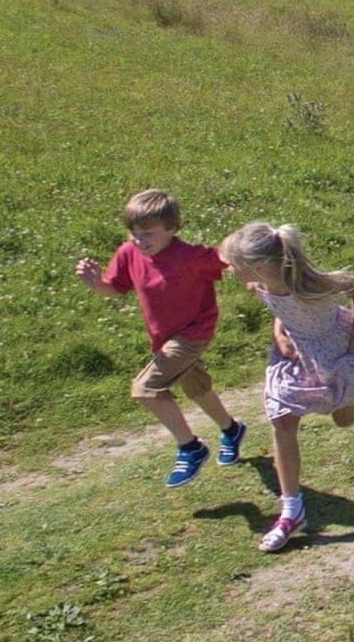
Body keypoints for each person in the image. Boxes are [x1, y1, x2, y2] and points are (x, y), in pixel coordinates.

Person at [220, 222, 354, 552]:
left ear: (259, 265)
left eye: (234, 264)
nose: (230, 269)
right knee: (281, 419)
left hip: (334, 352)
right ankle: (292, 510)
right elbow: (279, 307)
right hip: (293, 355)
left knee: (344, 418)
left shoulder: (307, 283)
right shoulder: (259, 282)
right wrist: (279, 333)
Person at [75, 189, 246, 488]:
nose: (140, 240)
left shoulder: (190, 256)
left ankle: (190, 448)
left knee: (145, 389)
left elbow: (232, 261)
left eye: (148, 233)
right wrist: (96, 283)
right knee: (197, 389)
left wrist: (267, 265)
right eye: (134, 233)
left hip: (193, 334)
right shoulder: (129, 252)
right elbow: (115, 288)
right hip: (164, 339)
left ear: (171, 228)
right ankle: (232, 430)